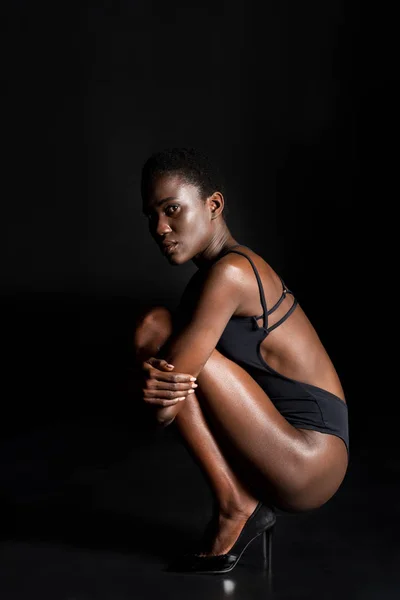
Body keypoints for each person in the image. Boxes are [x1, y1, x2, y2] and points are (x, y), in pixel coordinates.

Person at [133, 147, 349, 574]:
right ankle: (237, 504)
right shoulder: (205, 283)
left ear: (213, 205)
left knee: (157, 328)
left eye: (172, 209)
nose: (160, 228)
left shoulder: (233, 273)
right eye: (151, 216)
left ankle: (237, 508)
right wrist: (160, 397)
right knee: (159, 328)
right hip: (273, 446)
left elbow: (166, 407)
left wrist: (158, 400)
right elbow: (168, 400)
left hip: (311, 458)